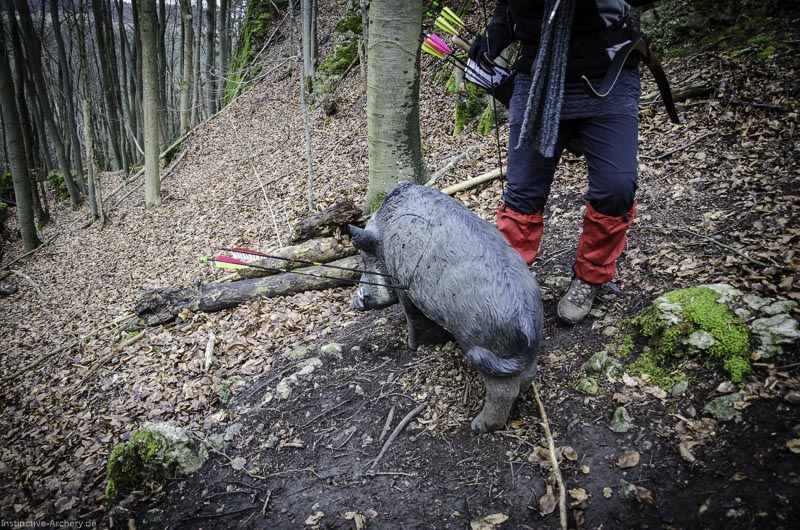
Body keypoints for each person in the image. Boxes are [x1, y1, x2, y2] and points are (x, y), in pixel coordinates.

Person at [469, 0, 651, 325]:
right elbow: (507, 10)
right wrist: (494, 36)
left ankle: (590, 277)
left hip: (608, 72)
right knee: (523, 193)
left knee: (617, 186)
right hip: (537, 76)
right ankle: (508, 283)